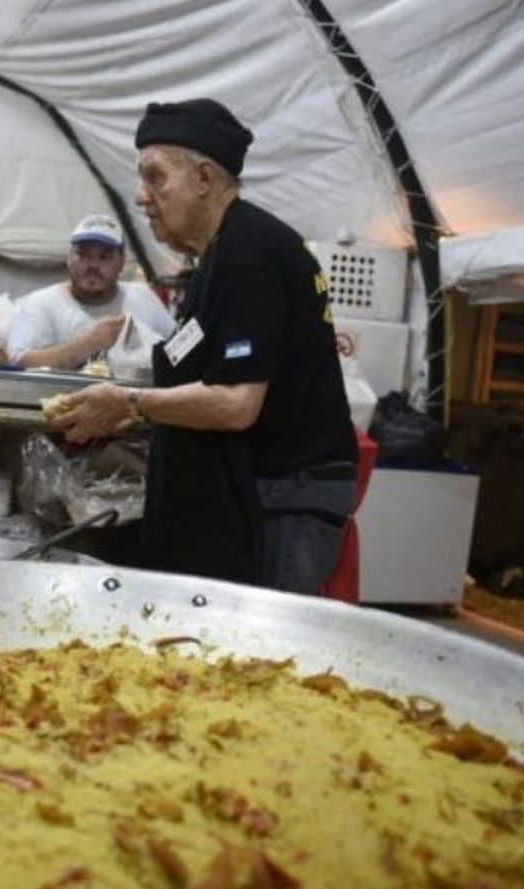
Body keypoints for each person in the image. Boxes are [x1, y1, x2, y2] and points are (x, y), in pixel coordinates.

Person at [49, 98, 356, 593]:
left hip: (283, 498)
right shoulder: (216, 256)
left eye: (155, 178)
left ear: (205, 179)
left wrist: (127, 403)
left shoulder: (250, 252)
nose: (141, 197)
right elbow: (195, 364)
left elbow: (237, 404)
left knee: (265, 649)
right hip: (254, 489)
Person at [6, 214, 174, 371]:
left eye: (104, 257)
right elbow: (19, 363)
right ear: (69, 257)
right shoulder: (41, 304)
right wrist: (87, 344)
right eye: (84, 255)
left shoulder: (143, 298)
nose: (93, 265)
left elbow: (179, 350)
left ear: (122, 261)